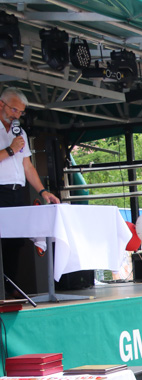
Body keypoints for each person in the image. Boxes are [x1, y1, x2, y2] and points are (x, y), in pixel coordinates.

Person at [0, 87, 60, 290]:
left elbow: (28, 166)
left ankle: (11, 287)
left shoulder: (20, 133)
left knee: (16, 240)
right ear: (2, 104)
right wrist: (10, 150)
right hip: (0, 190)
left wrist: (43, 191)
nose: (17, 115)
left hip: (18, 191)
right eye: (15, 110)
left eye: (21, 112)